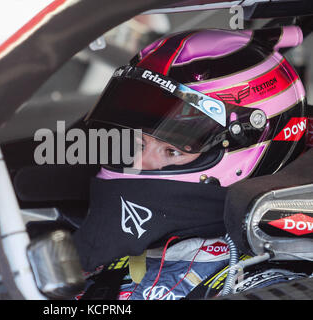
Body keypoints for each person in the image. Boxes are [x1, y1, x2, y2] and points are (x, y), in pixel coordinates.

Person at [74, 26, 313, 300]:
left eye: (172, 151)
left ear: (248, 152)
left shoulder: (269, 281)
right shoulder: (113, 252)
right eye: (138, 144)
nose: (139, 163)